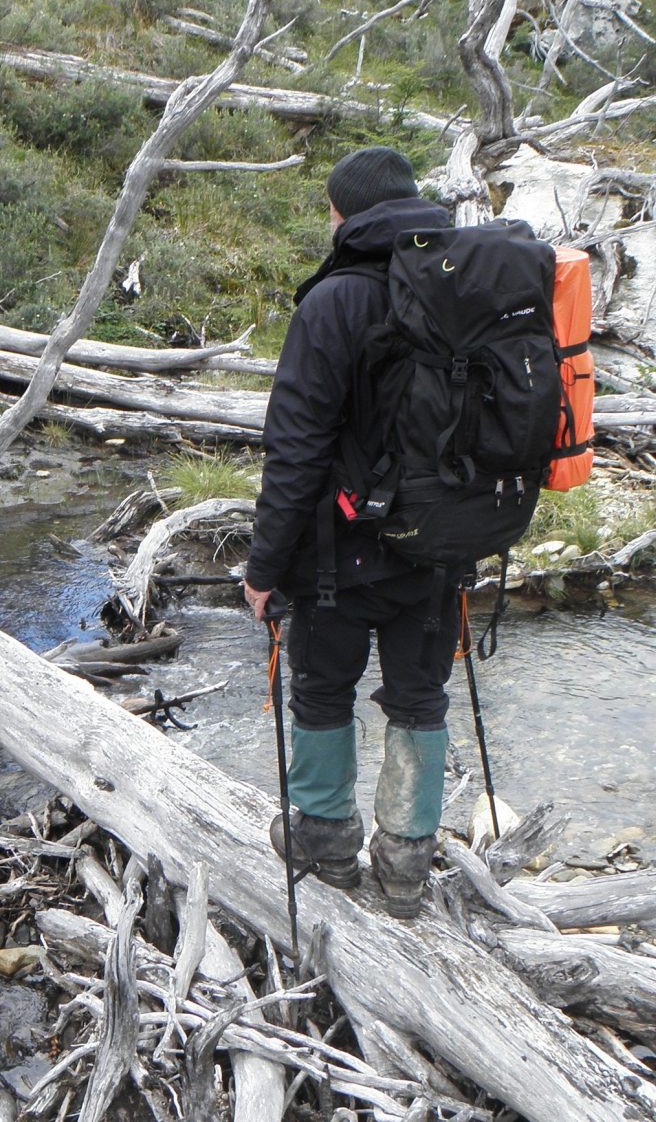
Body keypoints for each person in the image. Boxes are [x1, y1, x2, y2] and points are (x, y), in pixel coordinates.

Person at [243, 147, 460, 919]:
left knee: (323, 689)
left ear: (342, 215)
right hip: (441, 548)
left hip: (339, 556)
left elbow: (295, 448)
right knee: (419, 696)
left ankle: (328, 840)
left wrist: (264, 568)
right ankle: (406, 867)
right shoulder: (460, 286)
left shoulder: (331, 303)